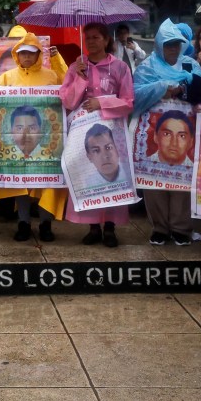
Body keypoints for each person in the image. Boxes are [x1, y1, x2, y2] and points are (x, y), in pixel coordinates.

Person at [133, 19, 201, 246]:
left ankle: (181, 229)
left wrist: (182, 90)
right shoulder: (147, 67)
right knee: (153, 182)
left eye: (177, 44)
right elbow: (135, 96)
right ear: (159, 45)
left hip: (186, 132)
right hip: (153, 132)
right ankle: (159, 228)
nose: (173, 48)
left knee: (183, 182)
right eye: (168, 44)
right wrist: (161, 88)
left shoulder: (190, 65)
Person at [60, 22, 135, 246]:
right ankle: (93, 226)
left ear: (105, 40)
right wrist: (80, 78)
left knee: (113, 173)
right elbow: (67, 100)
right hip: (83, 131)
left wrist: (102, 103)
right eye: (88, 37)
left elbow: (128, 101)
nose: (91, 41)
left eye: (96, 37)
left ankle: (110, 227)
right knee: (87, 172)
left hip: (112, 131)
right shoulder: (76, 67)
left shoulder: (119, 67)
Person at [0, 33, 68, 242]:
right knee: (21, 182)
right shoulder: (8, 77)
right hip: (19, 143)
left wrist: (57, 60)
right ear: (17, 54)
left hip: (45, 141)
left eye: (31, 53)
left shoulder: (51, 75)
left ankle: (46, 224)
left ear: (38, 55)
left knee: (47, 182)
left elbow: (69, 85)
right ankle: (23, 223)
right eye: (23, 53)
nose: (26, 57)